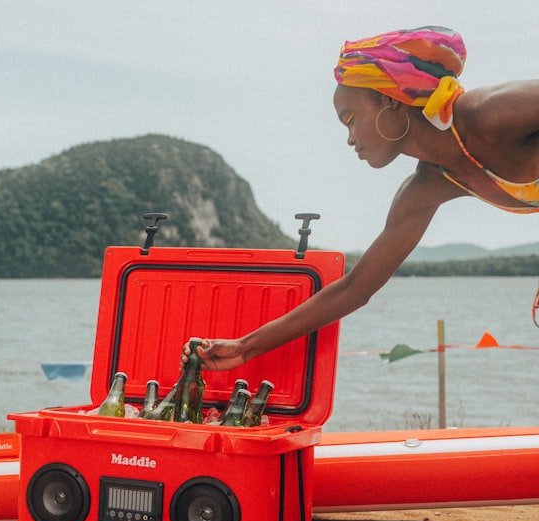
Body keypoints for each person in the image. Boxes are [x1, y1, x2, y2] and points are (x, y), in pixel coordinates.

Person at [188, 26, 539, 371]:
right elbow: (354, 289)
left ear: (388, 99)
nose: (350, 138)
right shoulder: (427, 186)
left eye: (351, 119)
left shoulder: (490, 114)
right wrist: (245, 348)